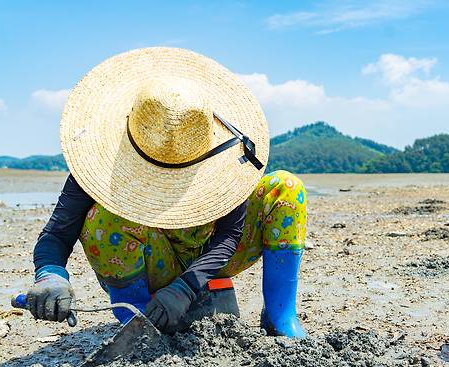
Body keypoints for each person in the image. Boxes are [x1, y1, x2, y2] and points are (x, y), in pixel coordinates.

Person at [26, 47, 307, 338]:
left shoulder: (224, 161)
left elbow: (229, 235)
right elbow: (57, 233)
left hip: (211, 256)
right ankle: (137, 322)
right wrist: (50, 275)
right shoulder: (98, 167)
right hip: (149, 264)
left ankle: (281, 315)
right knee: (103, 218)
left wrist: (185, 288)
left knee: (286, 188)